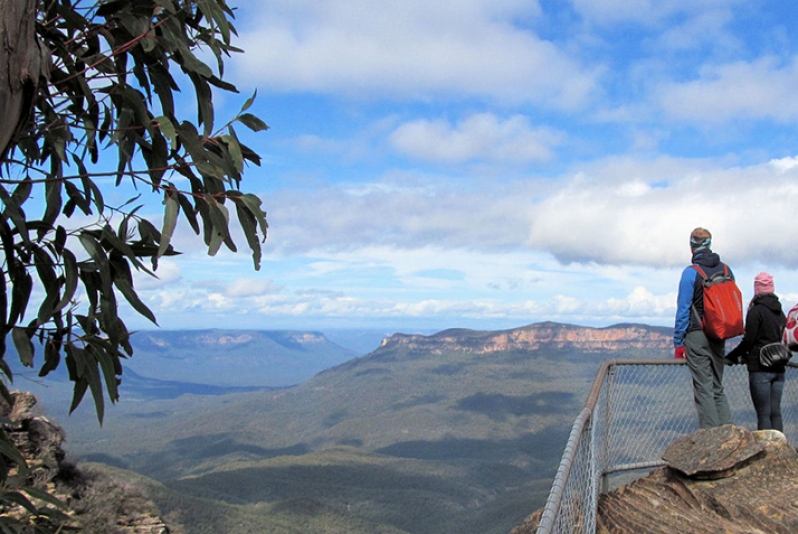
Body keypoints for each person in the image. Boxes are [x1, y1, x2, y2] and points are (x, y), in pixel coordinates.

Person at [673, 227, 734, 429]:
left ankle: (712, 441)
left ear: (692, 246)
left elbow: (683, 309)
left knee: (703, 388)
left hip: (696, 334)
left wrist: (678, 343)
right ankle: (729, 437)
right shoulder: (726, 270)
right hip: (719, 333)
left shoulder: (691, 273)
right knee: (717, 387)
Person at [725, 272, 788, 431]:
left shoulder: (756, 311)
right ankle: (779, 450)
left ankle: (766, 451)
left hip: (760, 367)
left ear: (757, 289)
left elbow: (749, 340)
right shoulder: (780, 313)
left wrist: (731, 357)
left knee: (764, 414)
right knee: (776, 413)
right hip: (779, 367)